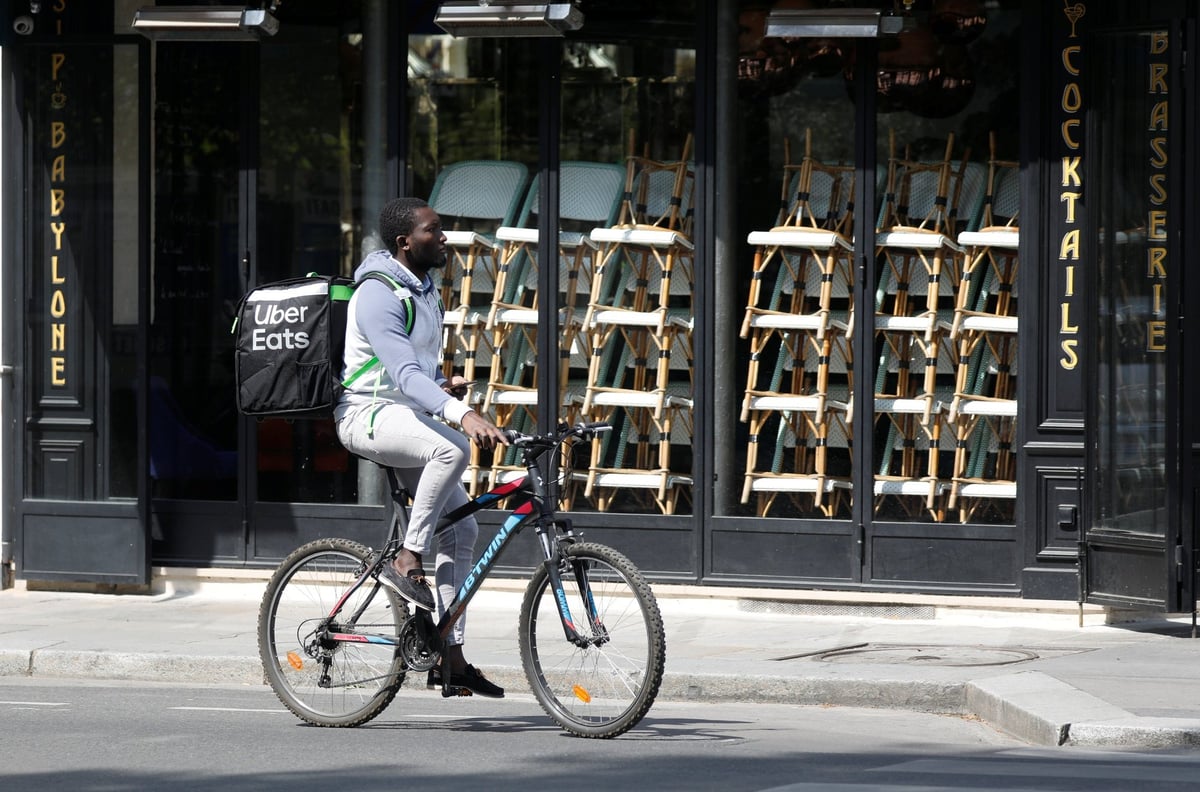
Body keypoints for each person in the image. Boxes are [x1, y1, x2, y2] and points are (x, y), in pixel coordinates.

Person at [334, 196, 509, 698]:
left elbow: (416, 371)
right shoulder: (378, 293)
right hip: (364, 415)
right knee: (453, 448)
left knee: (464, 529)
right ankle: (409, 557)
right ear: (404, 242)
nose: (445, 238)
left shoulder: (424, 288)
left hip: (404, 414)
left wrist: (443, 385)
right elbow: (403, 376)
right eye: (435, 231)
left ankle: (450, 657)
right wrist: (462, 414)